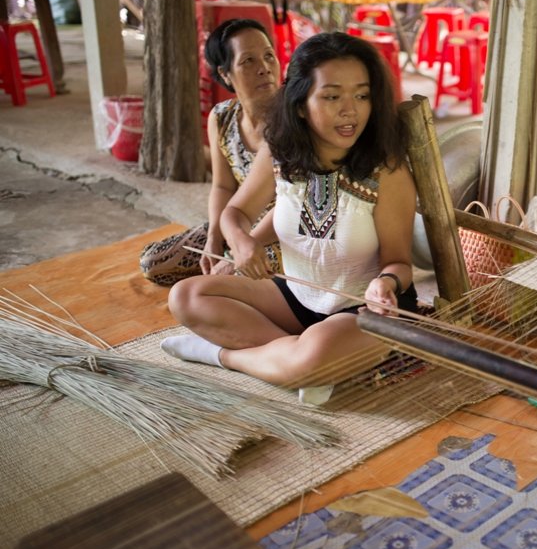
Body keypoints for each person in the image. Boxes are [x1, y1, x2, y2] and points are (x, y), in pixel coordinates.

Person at [160, 32, 418, 400]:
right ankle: (298, 363)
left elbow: (399, 263)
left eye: (361, 95)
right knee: (185, 296)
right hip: (295, 296)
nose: (351, 110)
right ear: (300, 104)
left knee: (313, 353)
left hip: (362, 308)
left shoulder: (386, 172)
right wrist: (241, 244)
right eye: (331, 96)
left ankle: (226, 356)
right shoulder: (279, 153)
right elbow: (235, 212)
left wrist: (387, 284)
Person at [139, 17, 282, 285]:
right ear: (225, 74)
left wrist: (241, 248)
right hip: (236, 225)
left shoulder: (294, 122)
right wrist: (215, 238)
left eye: (268, 56)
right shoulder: (222, 117)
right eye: (248, 61)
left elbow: (293, 205)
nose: (264, 68)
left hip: (282, 234)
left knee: (218, 287)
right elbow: (222, 188)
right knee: (155, 263)